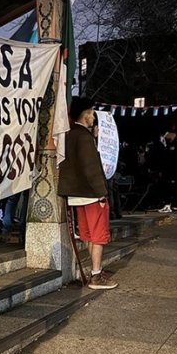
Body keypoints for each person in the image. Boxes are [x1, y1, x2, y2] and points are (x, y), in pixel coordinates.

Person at [58, 96, 117, 290]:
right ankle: (96, 275)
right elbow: (91, 168)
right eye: (92, 113)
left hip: (75, 194)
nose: (93, 117)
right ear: (85, 114)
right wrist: (102, 193)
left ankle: (93, 271)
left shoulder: (69, 134)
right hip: (91, 193)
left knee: (89, 234)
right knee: (98, 235)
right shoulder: (84, 137)